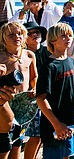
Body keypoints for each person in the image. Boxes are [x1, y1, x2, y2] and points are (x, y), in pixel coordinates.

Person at [36, 23, 74, 159]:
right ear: (52, 41)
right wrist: (56, 124)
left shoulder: (71, 62)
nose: (68, 38)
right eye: (63, 36)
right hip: (53, 124)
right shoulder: (49, 66)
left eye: (69, 35)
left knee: (68, 154)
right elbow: (41, 98)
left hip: (69, 121)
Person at [0, 22, 37, 159]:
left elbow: (34, 77)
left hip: (23, 105)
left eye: (20, 33)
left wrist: (34, 89)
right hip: (6, 104)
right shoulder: (1, 57)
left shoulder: (29, 55)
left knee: (18, 141)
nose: (17, 37)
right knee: (5, 143)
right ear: (3, 38)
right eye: (11, 34)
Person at [23, 21, 50, 159]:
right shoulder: (22, 55)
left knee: (41, 135)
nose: (34, 35)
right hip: (28, 99)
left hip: (45, 97)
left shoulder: (48, 52)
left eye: (37, 32)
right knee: (29, 136)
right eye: (30, 33)